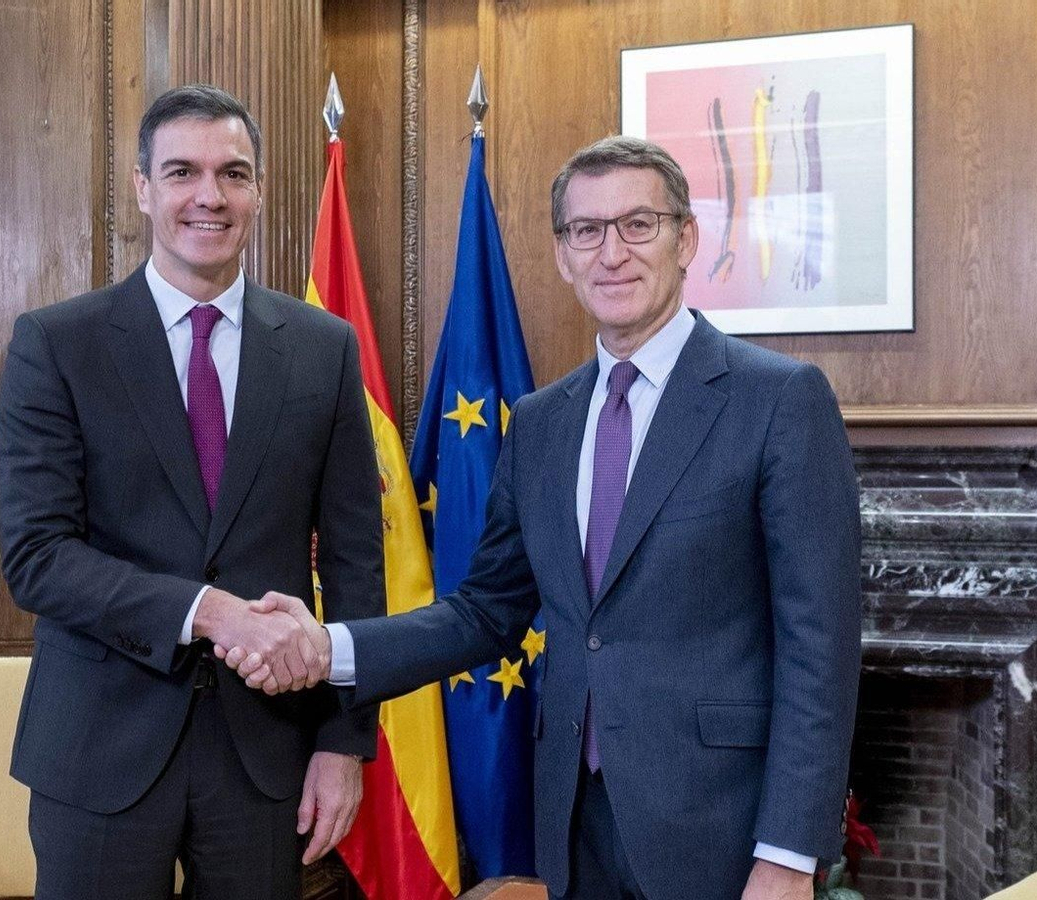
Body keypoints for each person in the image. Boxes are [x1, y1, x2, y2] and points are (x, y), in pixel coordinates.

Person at [222, 135, 862, 900]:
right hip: (571, 822)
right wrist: (330, 649)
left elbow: (819, 647)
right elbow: (486, 610)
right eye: (586, 231)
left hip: (722, 831)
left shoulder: (778, 401)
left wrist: (789, 852)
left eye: (638, 225)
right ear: (562, 255)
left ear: (686, 238)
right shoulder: (539, 423)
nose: (611, 253)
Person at [0, 83, 380, 900]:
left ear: (260, 190)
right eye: (182, 172)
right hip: (99, 749)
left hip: (266, 757)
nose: (210, 196)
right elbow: (37, 558)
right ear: (142, 187)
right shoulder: (57, 345)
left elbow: (355, 564)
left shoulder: (324, 349)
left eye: (233, 173)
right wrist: (211, 611)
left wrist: (344, 744)